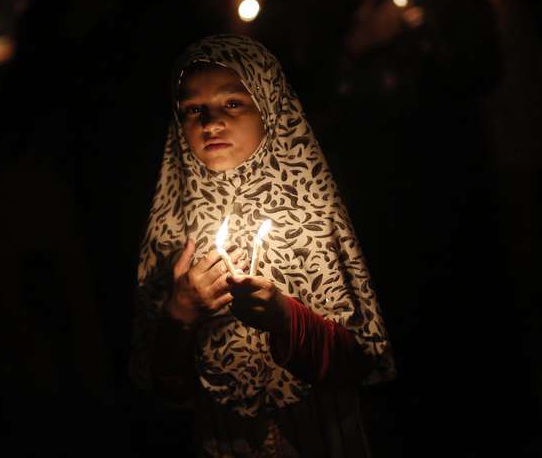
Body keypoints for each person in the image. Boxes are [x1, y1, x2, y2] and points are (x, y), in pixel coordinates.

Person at [130, 34, 395, 457]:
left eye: (232, 103)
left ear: (269, 106)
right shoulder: (172, 232)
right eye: (193, 110)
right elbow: (165, 388)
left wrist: (285, 319)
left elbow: (357, 361)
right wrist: (180, 314)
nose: (210, 123)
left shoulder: (313, 216)